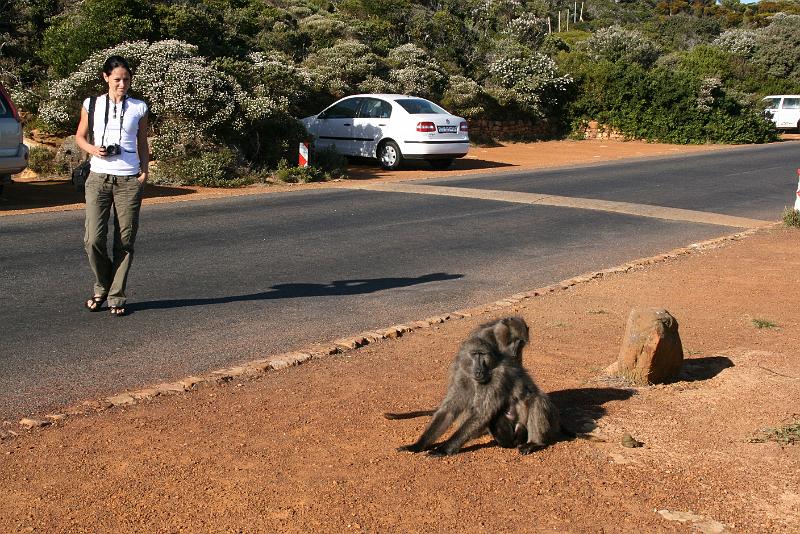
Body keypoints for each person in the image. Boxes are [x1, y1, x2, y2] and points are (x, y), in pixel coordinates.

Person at [75, 55, 149, 317]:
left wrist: (144, 172)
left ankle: (115, 296)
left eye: (126, 80)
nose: (122, 84)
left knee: (124, 241)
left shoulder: (139, 107)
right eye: (117, 79)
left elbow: (142, 142)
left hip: (129, 179)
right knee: (92, 239)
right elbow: (79, 137)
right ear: (105, 77)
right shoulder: (91, 104)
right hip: (98, 177)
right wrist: (94, 149)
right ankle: (103, 284)